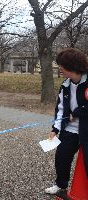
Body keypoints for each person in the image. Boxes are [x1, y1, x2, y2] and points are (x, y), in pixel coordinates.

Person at [45, 48, 88, 195]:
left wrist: (75, 113)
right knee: (61, 157)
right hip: (69, 130)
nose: (60, 69)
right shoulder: (65, 85)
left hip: (86, 130)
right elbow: (61, 109)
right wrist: (55, 129)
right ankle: (60, 185)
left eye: (61, 66)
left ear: (72, 67)